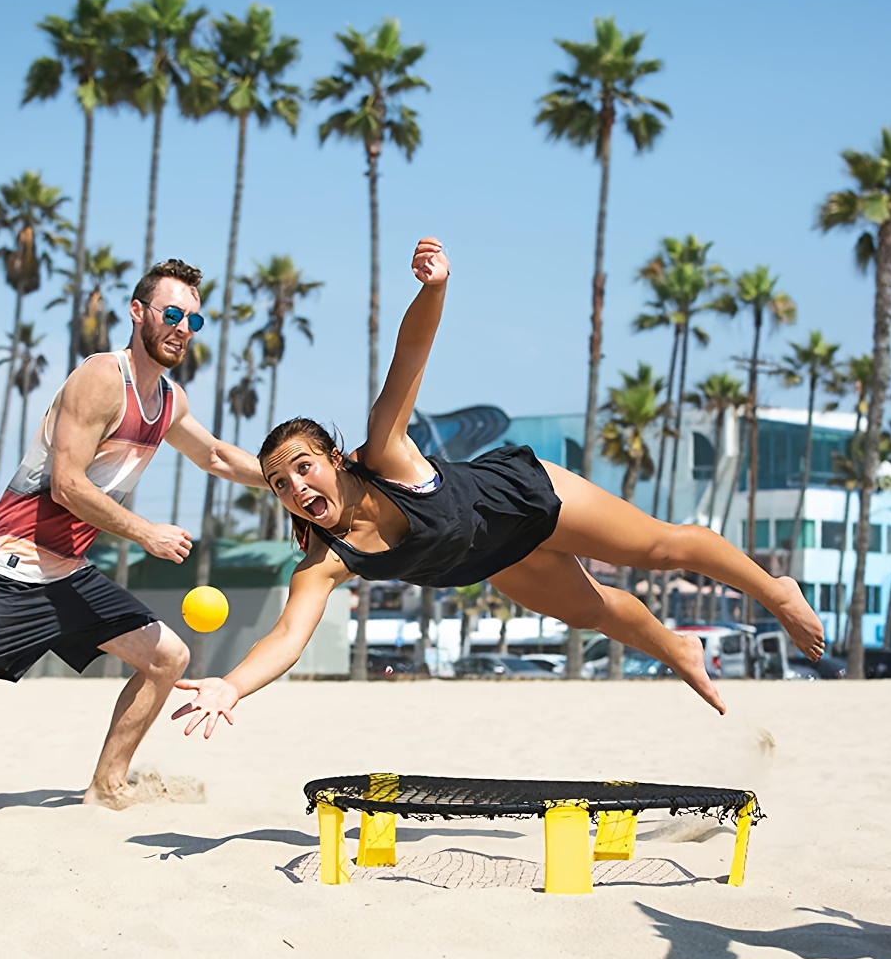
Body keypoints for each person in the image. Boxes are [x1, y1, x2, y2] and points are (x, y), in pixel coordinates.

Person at [172, 238, 825, 738]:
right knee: (594, 611)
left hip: (522, 497)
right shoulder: (322, 563)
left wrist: (435, 289)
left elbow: (409, 360)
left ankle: (775, 590)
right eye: (281, 483)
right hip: (490, 557)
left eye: (303, 467)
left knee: (658, 550)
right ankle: (678, 646)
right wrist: (230, 687)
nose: (295, 486)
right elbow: (287, 637)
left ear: (336, 459)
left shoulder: (386, 451)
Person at [0, 258, 264, 808]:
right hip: (14, 561)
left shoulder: (169, 400)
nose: (183, 328)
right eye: (171, 313)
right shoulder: (100, 378)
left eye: (194, 320)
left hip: (67, 571)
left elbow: (214, 455)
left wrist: (291, 482)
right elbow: (66, 485)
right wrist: (146, 534)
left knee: (167, 658)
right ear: (138, 312)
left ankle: (107, 785)